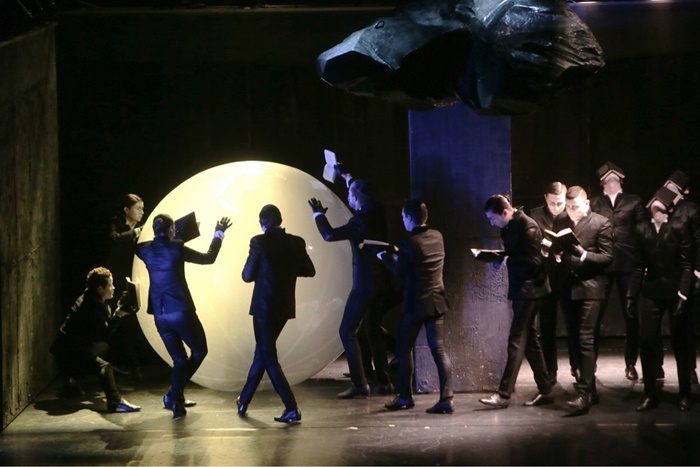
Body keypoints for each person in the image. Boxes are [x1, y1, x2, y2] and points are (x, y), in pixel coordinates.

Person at [308, 167, 394, 399]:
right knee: (372, 329)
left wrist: (318, 214)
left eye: (349, 195)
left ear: (356, 197)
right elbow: (360, 190)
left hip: (365, 284)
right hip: (382, 281)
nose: (347, 198)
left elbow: (329, 235)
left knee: (347, 330)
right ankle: (384, 382)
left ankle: (360, 384)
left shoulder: (359, 221)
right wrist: (346, 177)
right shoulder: (378, 210)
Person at [135, 213, 231, 418]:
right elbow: (208, 258)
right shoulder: (177, 247)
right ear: (171, 229)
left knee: (179, 359)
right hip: (180, 311)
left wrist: (170, 235)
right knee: (199, 351)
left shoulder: (143, 250)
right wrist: (219, 233)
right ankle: (173, 394)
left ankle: (175, 398)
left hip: (160, 314)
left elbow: (145, 244)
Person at [236, 205, 316, 423]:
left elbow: (246, 275)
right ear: (280, 220)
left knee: (269, 357)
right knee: (262, 353)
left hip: (264, 308)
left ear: (262, 223)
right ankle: (243, 400)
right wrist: (287, 269)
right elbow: (309, 270)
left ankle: (291, 408)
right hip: (284, 308)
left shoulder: (258, 242)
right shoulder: (296, 242)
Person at [478, 195, 554, 408]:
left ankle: (503, 395)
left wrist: (506, 259)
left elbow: (535, 261)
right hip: (521, 289)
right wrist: (497, 257)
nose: (491, 223)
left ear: (505, 212)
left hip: (532, 290)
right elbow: (514, 253)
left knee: (516, 339)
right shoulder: (508, 227)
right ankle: (546, 390)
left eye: (493, 218)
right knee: (530, 342)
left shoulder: (528, 227)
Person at [379, 200, 454, 414]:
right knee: (439, 350)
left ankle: (405, 397)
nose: (403, 220)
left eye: (403, 217)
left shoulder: (408, 243)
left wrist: (384, 257)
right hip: (437, 301)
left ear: (409, 217)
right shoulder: (437, 236)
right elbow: (420, 261)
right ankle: (447, 399)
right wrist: (399, 253)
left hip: (415, 304)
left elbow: (399, 274)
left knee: (403, 350)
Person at [627, 187, 694, 412]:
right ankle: (649, 393)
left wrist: (683, 294)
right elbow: (639, 266)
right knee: (647, 342)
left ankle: (685, 392)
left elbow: (687, 265)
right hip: (652, 291)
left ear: (669, 209)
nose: (656, 207)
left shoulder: (678, 227)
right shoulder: (642, 229)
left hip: (675, 292)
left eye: (661, 205)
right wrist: (631, 294)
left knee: (680, 343)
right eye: (654, 203)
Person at [551, 186, 613, 415]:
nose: (570, 211)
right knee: (574, 338)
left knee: (586, 338)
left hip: (591, 288)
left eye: (575, 207)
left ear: (586, 204)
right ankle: (588, 389)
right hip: (568, 287)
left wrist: (584, 254)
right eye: (568, 207)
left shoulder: (601, 222)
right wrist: (555, 252)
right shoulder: (561, 220)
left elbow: (608, 257)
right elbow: (557, 246)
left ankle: (584, 393)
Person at [50, 267, 141, 413]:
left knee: (102, 347)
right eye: (110, 285)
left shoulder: (91, 298)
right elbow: (105, 335)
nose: (113, 288)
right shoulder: (93, 305)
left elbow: (101, 328)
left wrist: (118, 309)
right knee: (105, 366)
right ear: (100, 289)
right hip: (67, 355)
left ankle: (71, 381)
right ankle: (114, 400)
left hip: (66, 351)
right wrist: (119, 314)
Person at [590, 162, 646, 381]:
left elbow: (643, 231)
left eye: (614, 179)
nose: (611, 182)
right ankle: (590, 363)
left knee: (631, 314)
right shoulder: (595, 202)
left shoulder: (634, 201)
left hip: (627, 263)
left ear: (621, 181)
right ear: (601, 183)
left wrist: (643, 261)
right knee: (594, 315)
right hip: (602, 264)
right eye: (607, 180)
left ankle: (630, 363)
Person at [663, 170, 700, 385]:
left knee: (684, 326)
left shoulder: (691, 210)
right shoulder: (661, 208)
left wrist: (697, 271)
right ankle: (659, 368)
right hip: (666, 273)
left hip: (687, 274)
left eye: (673, 189)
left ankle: (689, 368)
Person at [528, 181, 567, 385]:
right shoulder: (536, 215)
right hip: (545, 274)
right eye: (552, 203)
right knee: (547, 324)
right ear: (545, 198)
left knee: (574, 323)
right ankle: (551, 369)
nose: (556, 208)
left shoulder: (571, 213)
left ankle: (578, 367)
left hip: (568, 274)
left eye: (560, 203)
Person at [105, 193, 146, 381]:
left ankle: (135, 366)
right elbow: (113, 240)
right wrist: (135, 233)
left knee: (131, 323)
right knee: (117, 322)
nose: (142, 212)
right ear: (126, 210)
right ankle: (115, 365)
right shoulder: (116, 223)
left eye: (142, 209)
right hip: (116, 280)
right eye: (138, 208)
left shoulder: (141, 229)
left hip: (133, 279)